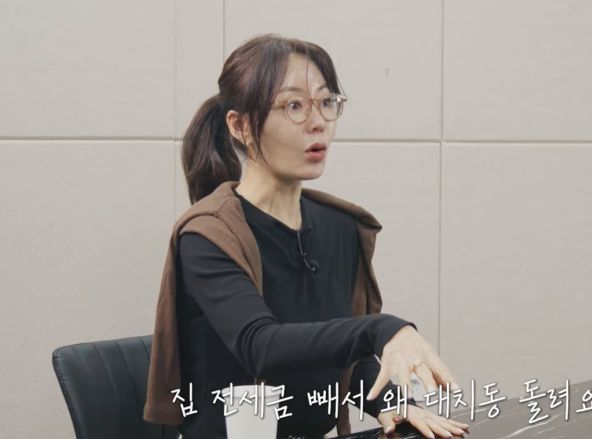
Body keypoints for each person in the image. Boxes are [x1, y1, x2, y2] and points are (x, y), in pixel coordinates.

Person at [158, 34, 470, 438]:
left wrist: (394, 404)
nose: (318, 121)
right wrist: (381, 329)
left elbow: (346, 358)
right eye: (294, 106)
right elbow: (261, 347)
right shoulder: (209, 234)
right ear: (240, 126)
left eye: (326, 102)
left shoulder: (340, 226)